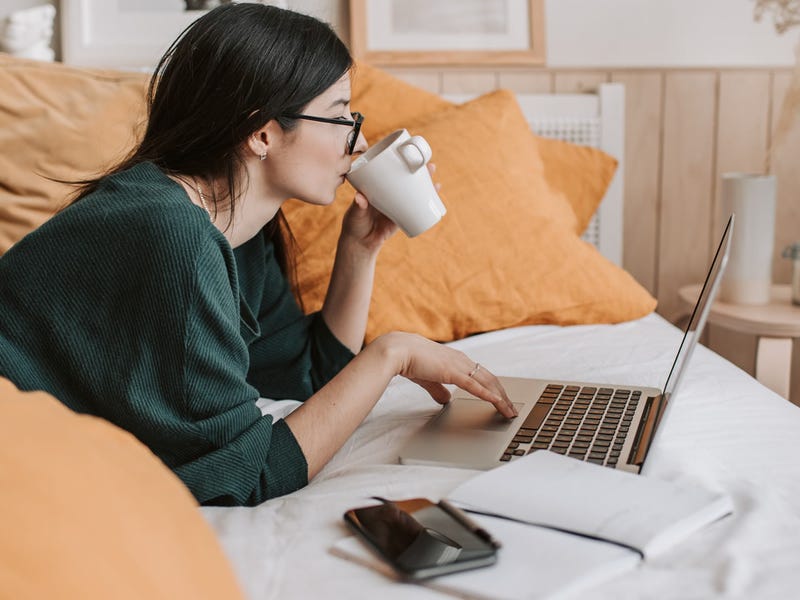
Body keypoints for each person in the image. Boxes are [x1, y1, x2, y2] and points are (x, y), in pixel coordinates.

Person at [0, 4, 516, 506]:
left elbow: (303, 378)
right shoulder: (171, 234)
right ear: (263, 131)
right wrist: (391, 355)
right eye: (341, 117)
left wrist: (360, 248)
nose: (356, 143)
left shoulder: (235, 228)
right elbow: (246, 475)